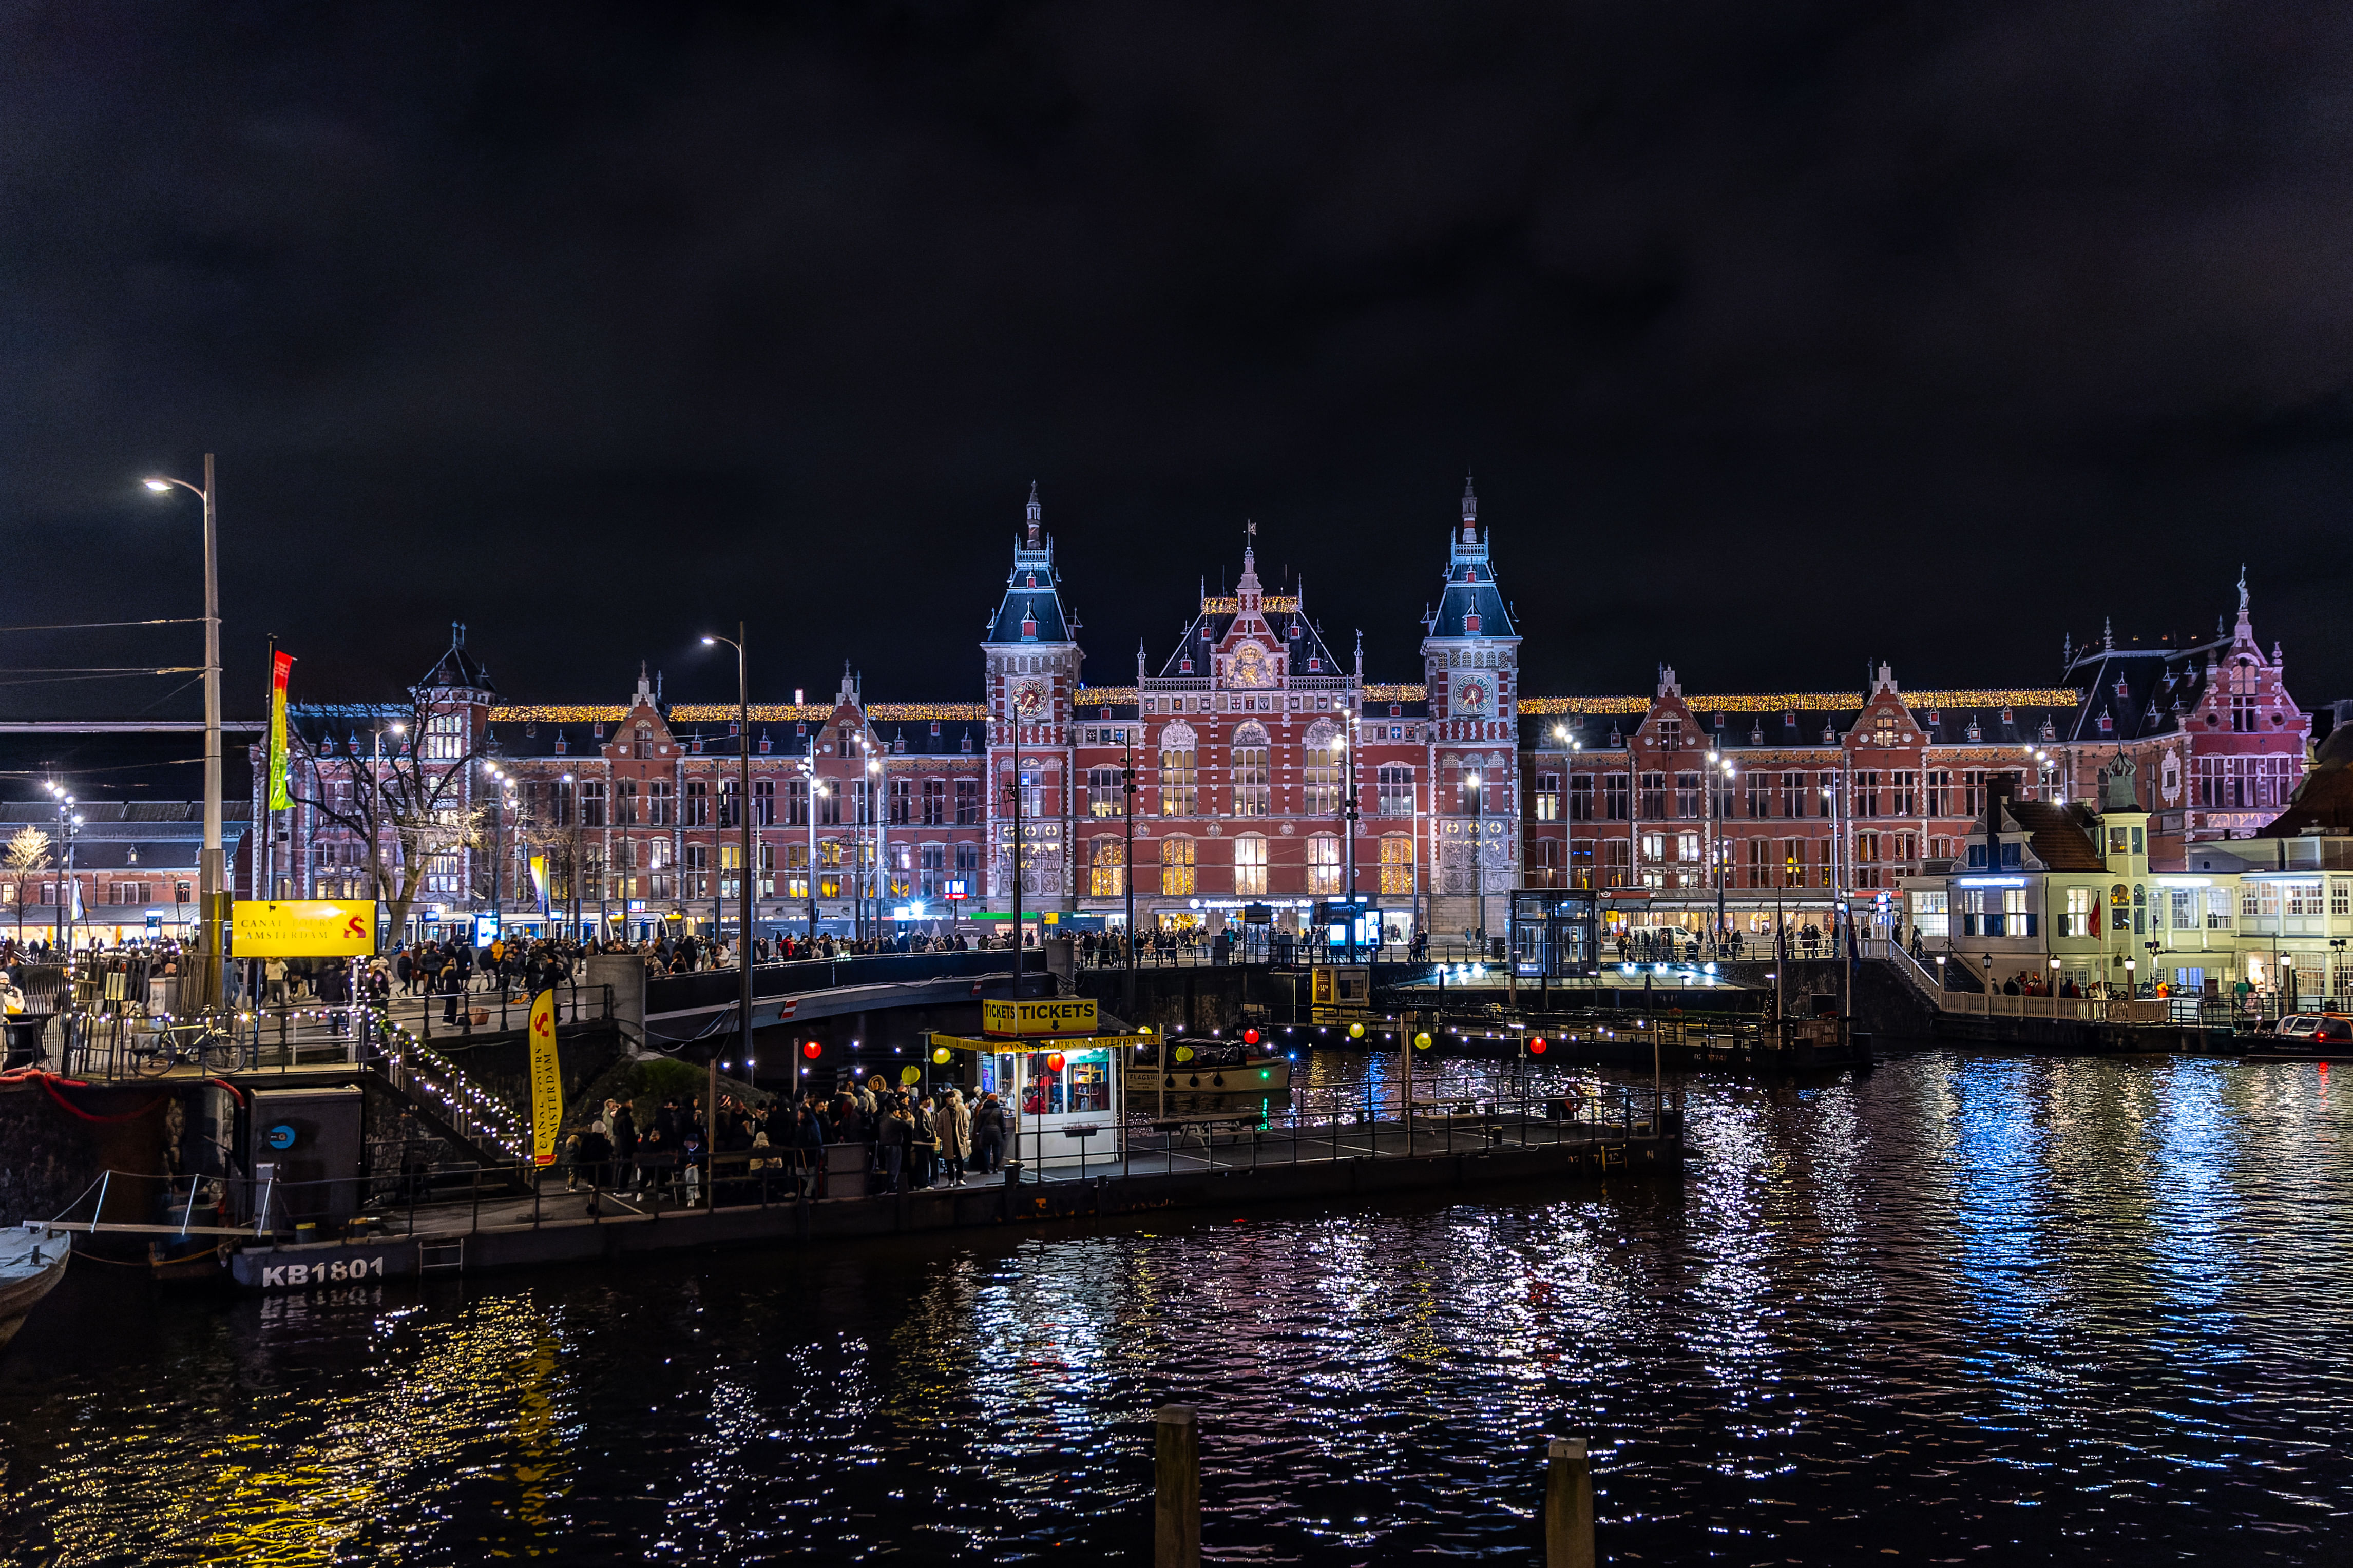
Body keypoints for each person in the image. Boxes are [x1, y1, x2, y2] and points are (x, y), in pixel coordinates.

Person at [933, 1087, 971, 1187]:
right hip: (948, 1139)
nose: (952, 1099)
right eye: (950, 1097)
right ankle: (951, 1180)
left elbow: (965, 1123)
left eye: (953, 1097)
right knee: (949, 1160)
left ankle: (960, 1179)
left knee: (960, 1159)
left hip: (959, 1138)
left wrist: (964, 1133)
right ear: (946, 1100)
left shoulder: (961, 1109)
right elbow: (939, 1127)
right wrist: (944, 1137)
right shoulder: (943, 1113)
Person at [972, 1091, 1006, 1175]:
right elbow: (1002, 1122)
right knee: (996, 1151)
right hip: (996, 1131)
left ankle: (986, 1169)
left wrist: (978, 1131)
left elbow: (979, 1122)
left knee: (986, 1151)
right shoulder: (998, 1109)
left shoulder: (983, 1110)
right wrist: (1004, 1132)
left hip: (985, 1132)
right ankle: (996, 1169)